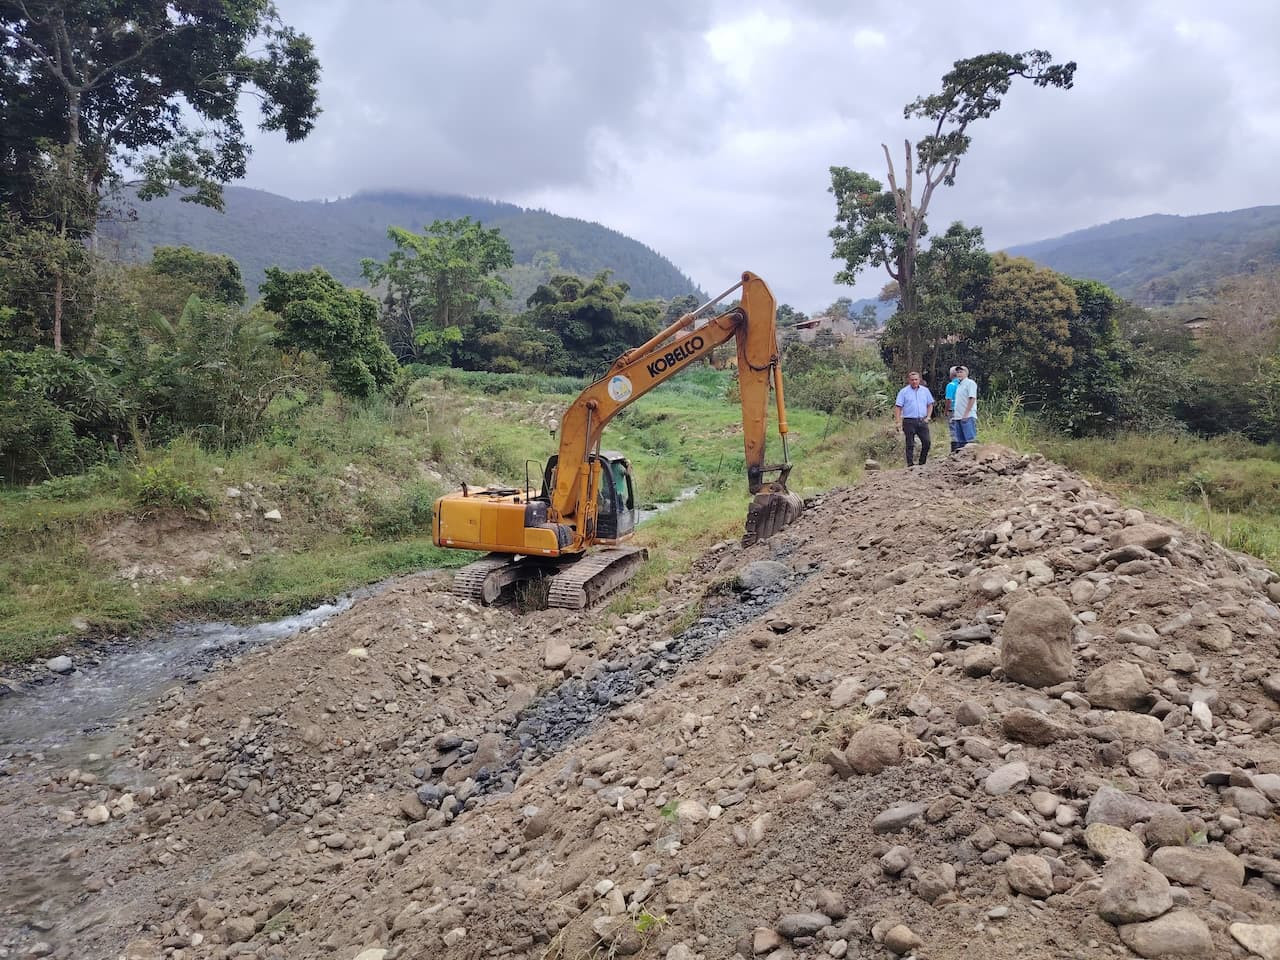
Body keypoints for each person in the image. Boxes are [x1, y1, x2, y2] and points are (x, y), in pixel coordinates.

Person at [894, 370, 935, 467]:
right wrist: (898, 421)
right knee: (910, 444)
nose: (914, 381)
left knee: (927, 442)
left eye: (916, 379)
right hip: (909, 420)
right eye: (912, 380)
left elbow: (930, 404)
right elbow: (898, 407)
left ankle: (922, 463)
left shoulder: (925, 391)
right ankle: (910, 464)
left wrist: (928, 417)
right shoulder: (903, 392)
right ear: (909, 380)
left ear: (919, 380)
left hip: (922, 420)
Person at [952, 365, 978, 449]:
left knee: (970, 440)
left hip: (968, 416)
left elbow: (972, 398)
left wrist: (966, 414)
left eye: (961, 372)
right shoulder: (959, 385)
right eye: (958, 372)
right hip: (958, 416)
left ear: (966, 373)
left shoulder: (970, 383)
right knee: (961, 442)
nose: (959, 374)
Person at [943, 366, 961, 453]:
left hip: (953, 410)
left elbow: (948, 399)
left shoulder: (951, 385)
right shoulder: (963, 384)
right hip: (963, 410)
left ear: (951, 374)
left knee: (953, 430)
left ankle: (954, 451)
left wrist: (946, 410)